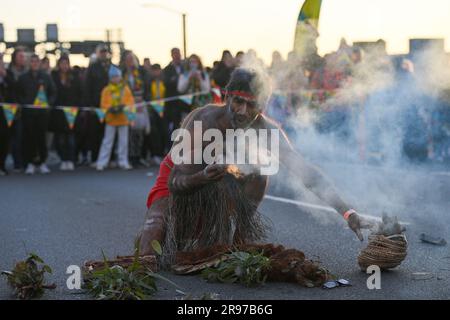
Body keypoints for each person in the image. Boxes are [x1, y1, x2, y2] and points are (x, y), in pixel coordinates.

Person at [138, 68, 372, 264]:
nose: (243, 111)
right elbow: (176, 183)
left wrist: (347, 212)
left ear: (263, 106)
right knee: (155, 228)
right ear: (226, 96)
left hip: (222, 183)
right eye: (238, 101)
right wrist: (204, 176)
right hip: (184, 178)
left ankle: (239, 234)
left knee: (260, 171)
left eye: (252, 105)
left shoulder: (268, 131)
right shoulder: (204, 120)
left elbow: (306, 173)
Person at [18, 54, 56, 175]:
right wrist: (24, 103)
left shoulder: (46, 77)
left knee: (41, 138)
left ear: (39, 63)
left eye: (36, 61)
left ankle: (42, 162)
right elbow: (18, 93)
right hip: (28, 113)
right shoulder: (23, 78)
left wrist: (49, 104)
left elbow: (53, 92)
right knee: (29, 138)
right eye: (32, 61)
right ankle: (30, 163)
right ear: (29, 63)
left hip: (42, 114)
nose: (34, 63)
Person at [96, 65, 134, 171]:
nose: (115, 79)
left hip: (123, 118)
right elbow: (103, 104)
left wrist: (124, 106)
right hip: (111, 119)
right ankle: (102, 162)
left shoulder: (125, 89)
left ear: (120, 77)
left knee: (123, 142)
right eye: (113, 77)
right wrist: (110, 108)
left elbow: (130, 101)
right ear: (110, 78)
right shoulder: (106, 90)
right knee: (107, 142)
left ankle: (123, 162)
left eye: (117, 76)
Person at [50, 55, 82, 171]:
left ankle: (71, 159)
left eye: (66, 63)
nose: (64, 66)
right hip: (58, 111)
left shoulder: (74, 76)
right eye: (62, 63)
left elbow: (79, 92)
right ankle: (63, 159)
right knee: (59, 138)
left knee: (71, 138)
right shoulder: (54, 76)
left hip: (72, 112)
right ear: (59, 64)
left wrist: (78, 106)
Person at [120, 50, 150, 167]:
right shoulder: (122, 73)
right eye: (127, 60)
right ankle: (130, 157)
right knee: (130, 132)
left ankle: (139, 156)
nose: (130, 62)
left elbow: (145, 87)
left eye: (131, 59)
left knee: (140, 131)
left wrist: (142, 100)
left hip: (140, 103)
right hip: (127, 105)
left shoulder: (141, 72)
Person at [83, 44, 111, 164]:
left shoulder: (112, 67)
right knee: (95, 132)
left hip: (111, 106)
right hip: (96, 105)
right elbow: (87, 87)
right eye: (101, 52)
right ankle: (95, 158)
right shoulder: (93, 68)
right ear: (97, 53)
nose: (104, 54)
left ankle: (109, 159)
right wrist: (90, 104)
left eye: (105, 51)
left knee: (108, 134)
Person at [4, 47, 28, 172]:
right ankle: (16, 162)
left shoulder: (27, 72)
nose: (23, 59)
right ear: (14, 58)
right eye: (20, 56)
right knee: (13, 137)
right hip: (10, 109)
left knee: (23, 137)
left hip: (24, 108)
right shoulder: (8, 72)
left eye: (24, 56)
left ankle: (23, 161)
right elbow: (13, 88)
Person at [145, 64, 167, 165]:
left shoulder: (164, 81)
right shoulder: (149, 82)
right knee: (154, 133)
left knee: (163, 131)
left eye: (158, 70)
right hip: (153, 110)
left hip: (163, 109)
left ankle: (162, 153)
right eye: (154, 70)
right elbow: (147, 95)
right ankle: (155, 154)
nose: (156, 72)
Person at [163, 48, 185, 138]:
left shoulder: (184, 67)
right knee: (174, 127)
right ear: (172, 55)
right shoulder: (167, 69)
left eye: (179, 54)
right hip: (172, 104)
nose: (178, 56)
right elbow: (166, 83)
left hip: (184, 103)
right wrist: (177, 79)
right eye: (175, 54)